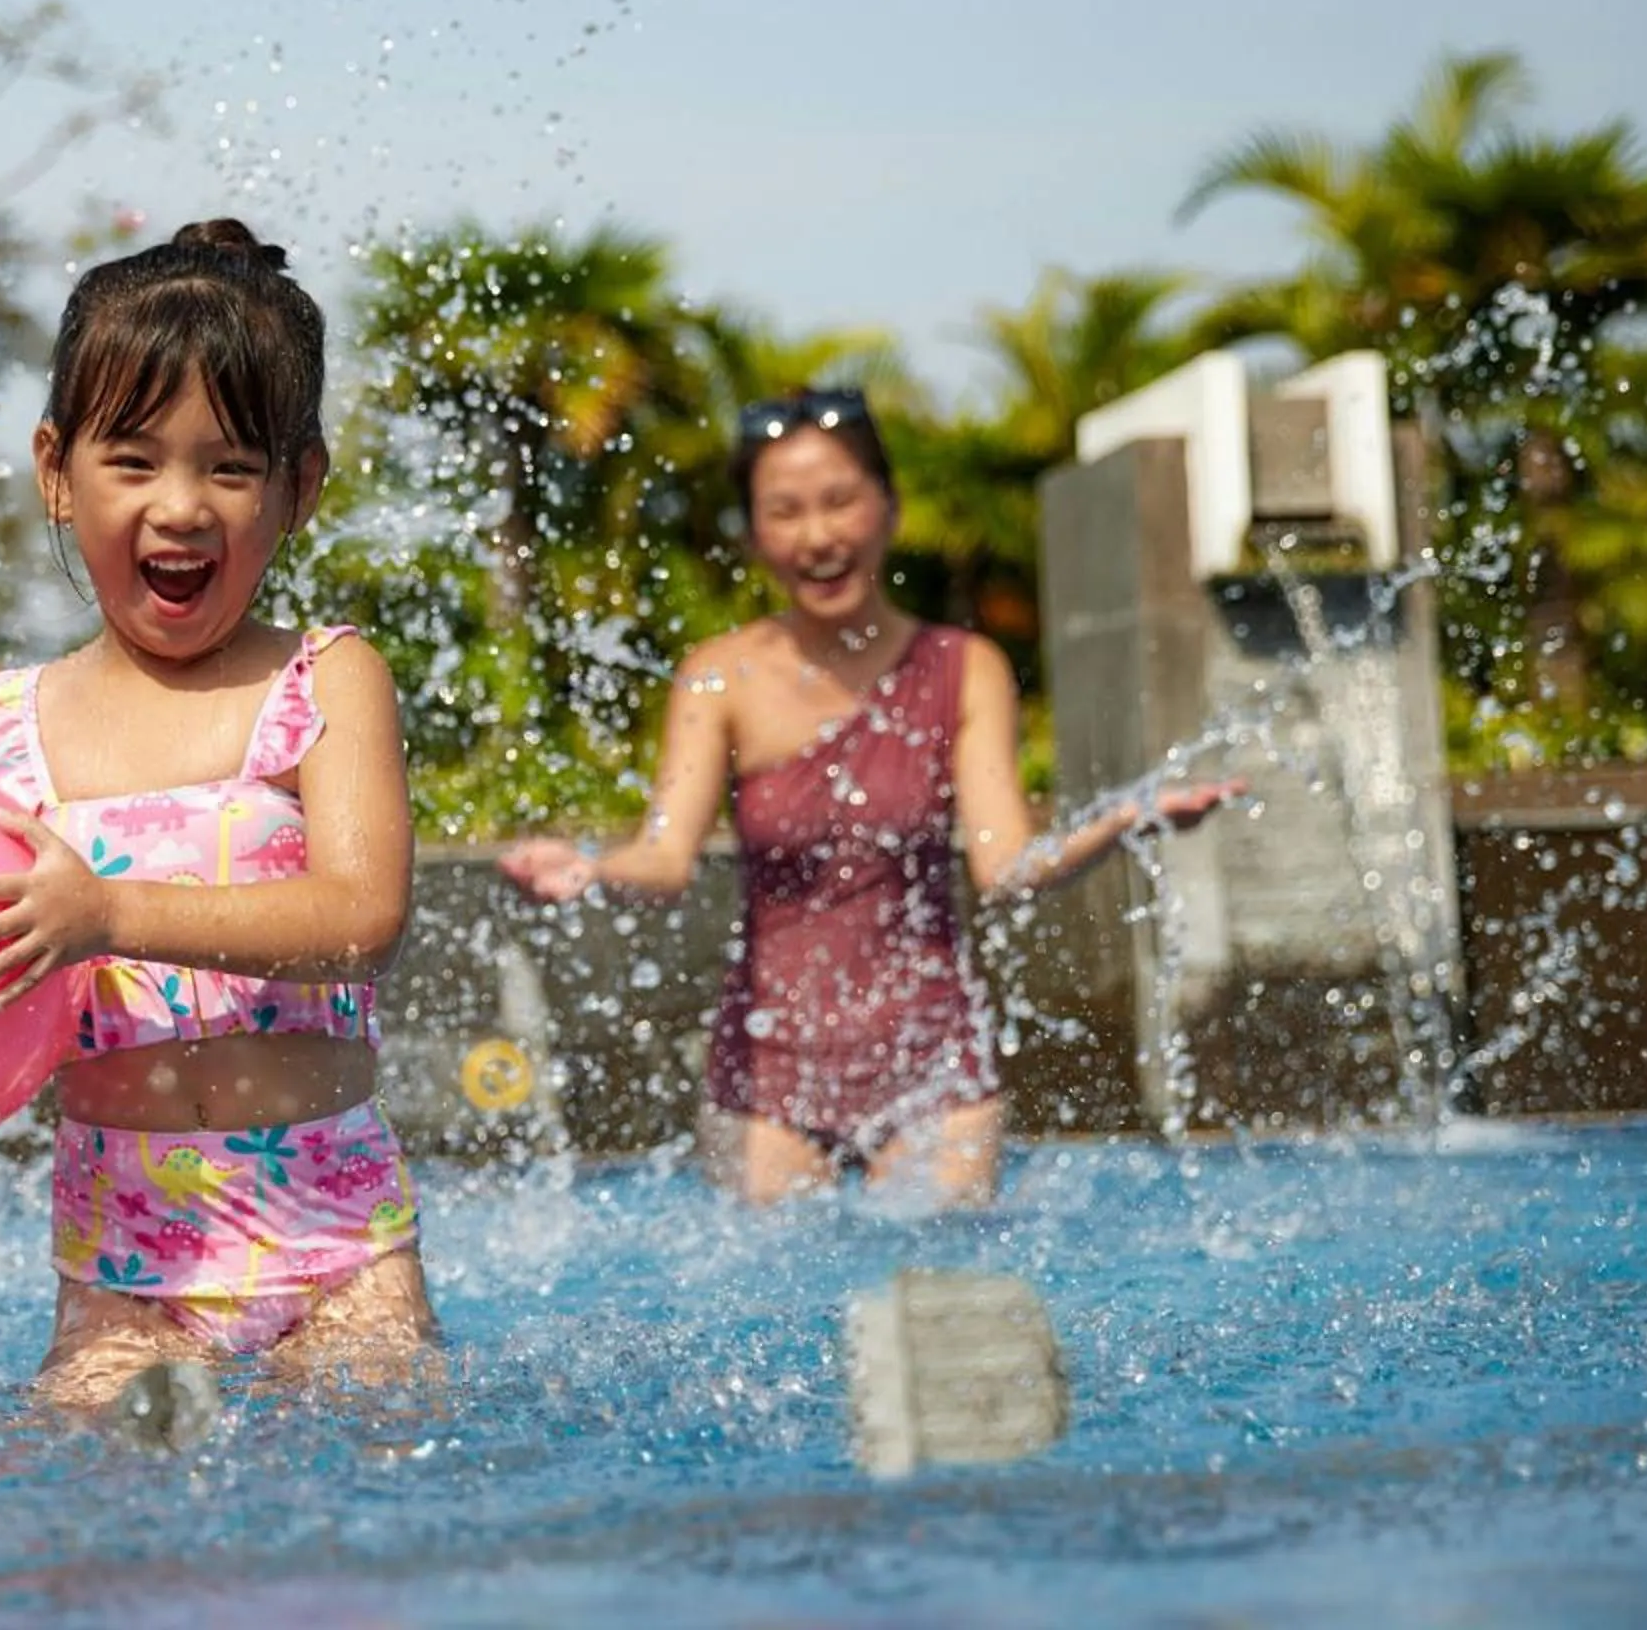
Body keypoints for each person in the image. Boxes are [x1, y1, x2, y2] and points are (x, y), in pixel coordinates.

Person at [0, 218, 437, 1418]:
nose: (182, 506)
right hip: (121, 1262)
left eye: (230, 467)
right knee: (113, 1516)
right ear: (56, 468)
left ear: (300, 484)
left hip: (335, 1236)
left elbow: (363, 917)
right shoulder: (3, 723)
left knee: (359, 1488)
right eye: (135, 459)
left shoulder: (322, 677)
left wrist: (106, 912)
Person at [499, 387, 1239, 1209]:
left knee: (946, 1302)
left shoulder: (965, 668)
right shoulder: (720, 676)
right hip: (768, 1075)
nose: (818, 536)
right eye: (785, 511)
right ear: (753, 534)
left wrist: (1124, 821)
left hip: (932, 1066)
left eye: (840, 501)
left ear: (888, 507)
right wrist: (594, 869)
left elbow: (1006, 867)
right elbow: (665, 858)